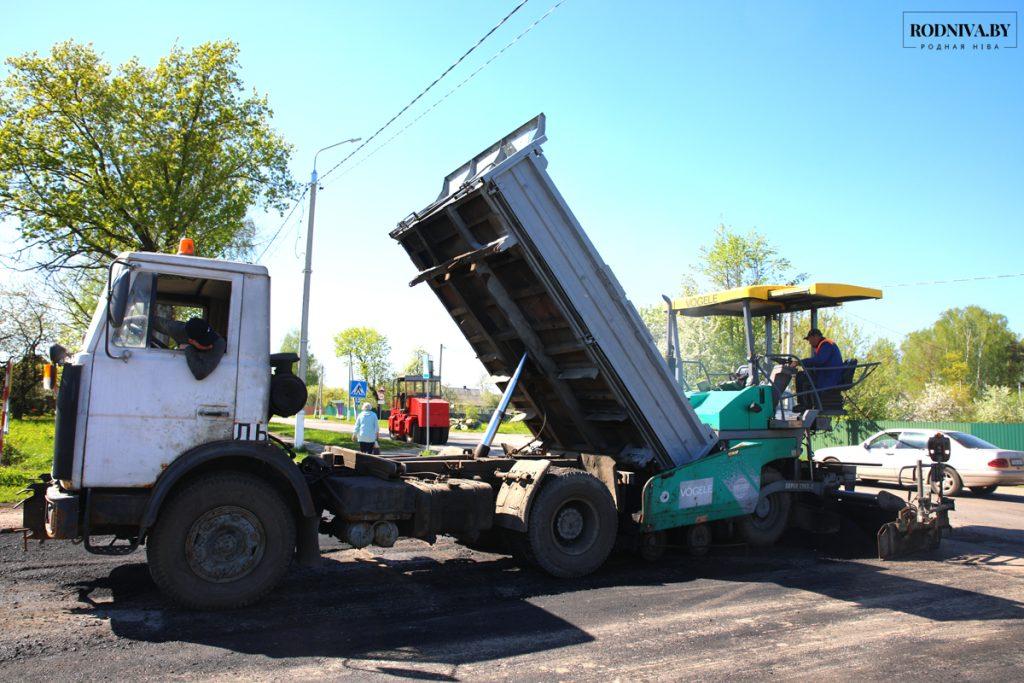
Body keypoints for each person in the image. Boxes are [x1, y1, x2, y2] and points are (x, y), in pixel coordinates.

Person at [152, 316, 226, 381]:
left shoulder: (219, 343)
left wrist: (188, 349)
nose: (210, 346)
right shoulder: (177, 330)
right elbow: (152, 321)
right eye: (204, 343)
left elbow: (200, 373)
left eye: (210, 339)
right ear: (191, 341)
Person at [791, 328, 843, 407]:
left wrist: (799, 362)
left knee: (801, 377)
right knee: (803, 375)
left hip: (829, 378)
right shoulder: (824, 346)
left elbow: (819, 360)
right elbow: (817, 362)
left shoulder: (826, 345)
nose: (809, 343)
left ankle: (804, 405)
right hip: (826, 376)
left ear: (815, 337)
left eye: (809, 339)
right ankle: (804, 404)